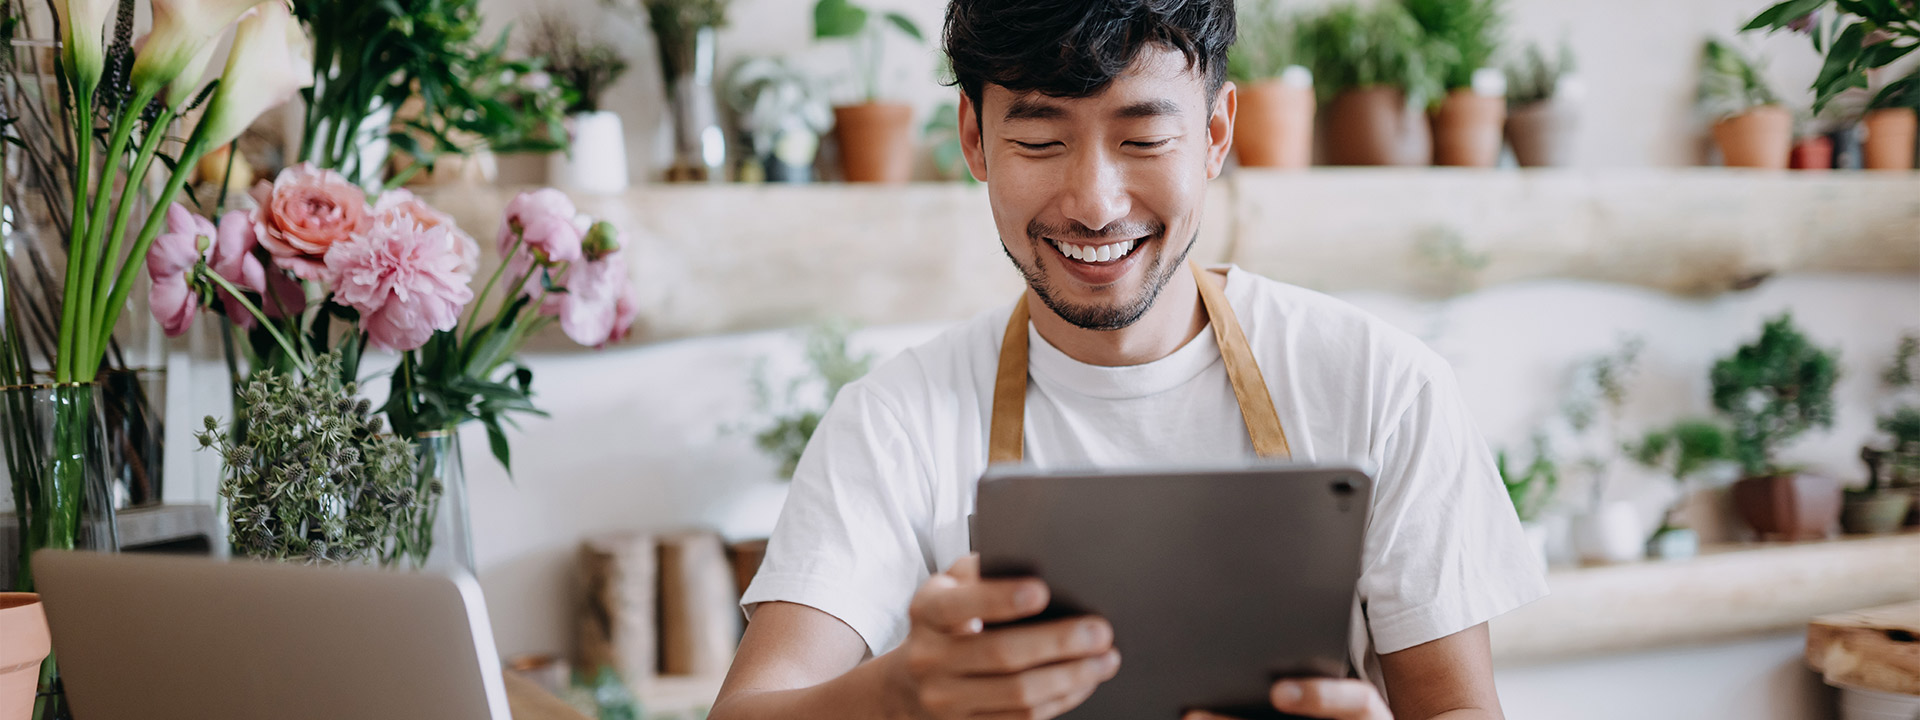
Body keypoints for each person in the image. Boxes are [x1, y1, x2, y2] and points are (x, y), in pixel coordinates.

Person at [708, 1, 1546, 718]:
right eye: (1040, 140)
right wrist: (898, 695)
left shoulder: (1383, 386)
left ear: (1215, 133)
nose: (1095, 204)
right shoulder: (893, 423)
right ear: (974, 139)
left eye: (1143, 138)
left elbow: (1460, 706)